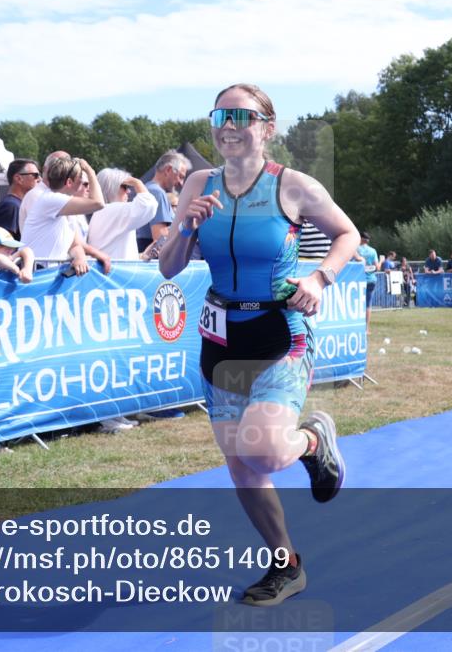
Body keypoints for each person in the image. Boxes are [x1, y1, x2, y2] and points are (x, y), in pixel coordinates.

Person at [159, 84, 358, 607]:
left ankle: (313, 439)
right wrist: (188, 229)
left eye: (241, 115)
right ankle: (285, 564)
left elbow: (348, 235)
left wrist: (319, 280)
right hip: (220, 339)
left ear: (268, 128)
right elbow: (169, 266)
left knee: (266, 450)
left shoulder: (292, 186)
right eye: (220, 114)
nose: (228, 124)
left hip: (279, 332)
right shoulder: (199, 184)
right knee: (242, 468)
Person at [21, 156, 105, 266]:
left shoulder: (58, 205)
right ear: (69, 182)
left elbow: (74, 244)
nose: (83, 182)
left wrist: (80, 257)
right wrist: (90, 171)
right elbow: (99, 203)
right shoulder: (52, 200)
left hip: (42, 273)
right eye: (81, 178)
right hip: (37, 273)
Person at [86, 168, 157, 260]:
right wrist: (137, 182)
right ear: (112, 187)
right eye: (125, 186)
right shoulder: (112, 210)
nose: (129, 191)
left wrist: (141, 256)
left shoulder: (104, 211)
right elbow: (148, 205)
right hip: (112, 272)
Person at [136, 150, 191, 253]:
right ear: (168, 170)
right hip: (153, 263)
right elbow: (160, 240)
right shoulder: (158, 193)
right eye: (181, 176)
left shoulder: (147, 188)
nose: (181, 183)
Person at [0, 158, 40, 239]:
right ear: (18, 178)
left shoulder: (16, 204)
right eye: (35, 175)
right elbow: (2, 244)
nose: (39, 179)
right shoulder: (11, 206)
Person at [353, 232, 379, 333]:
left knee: (355, 304)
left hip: (357, 280)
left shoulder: (356, 250)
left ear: (361, 239)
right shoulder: (373, 251)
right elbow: (377, 267)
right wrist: (381, 262)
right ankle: (366, 329)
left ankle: (356, 327)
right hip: (371, 280)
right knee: (368, 305)